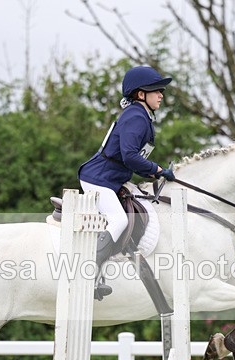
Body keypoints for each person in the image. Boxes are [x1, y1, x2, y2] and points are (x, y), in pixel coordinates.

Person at [78, 65, 176, 299]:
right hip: (98, 179)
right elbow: (130, 156)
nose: (161, 95)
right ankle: (89, 274)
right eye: (156, 90)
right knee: (119, 219)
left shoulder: (140, 116)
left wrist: (154, 174)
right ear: (140, 94)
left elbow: (132, 159)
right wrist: (159, 169)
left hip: (111, 179)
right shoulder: (136, 116)